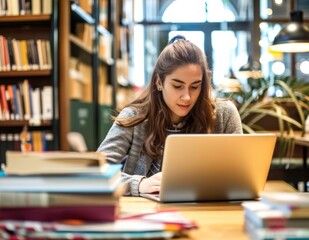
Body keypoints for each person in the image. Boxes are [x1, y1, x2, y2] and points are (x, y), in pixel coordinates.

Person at [97, 35, 243, 196]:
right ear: (158, 82)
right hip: (146, 212)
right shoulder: (135, 117)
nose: (187, 97)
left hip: (210, 209)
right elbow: (97, 172)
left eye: (195, 86)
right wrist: (138, 184)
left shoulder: (224, 114)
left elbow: (241, 177)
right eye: (177, 86)